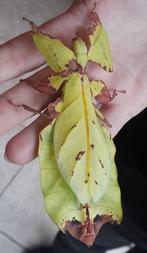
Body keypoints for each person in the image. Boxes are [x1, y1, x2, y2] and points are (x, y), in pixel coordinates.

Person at [0, 0, 147, 252]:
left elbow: (48, 92)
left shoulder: (61, 77)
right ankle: (78, 234)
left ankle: (75, 237)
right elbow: (105, 93)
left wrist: (38, 34)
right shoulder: (95, 83)